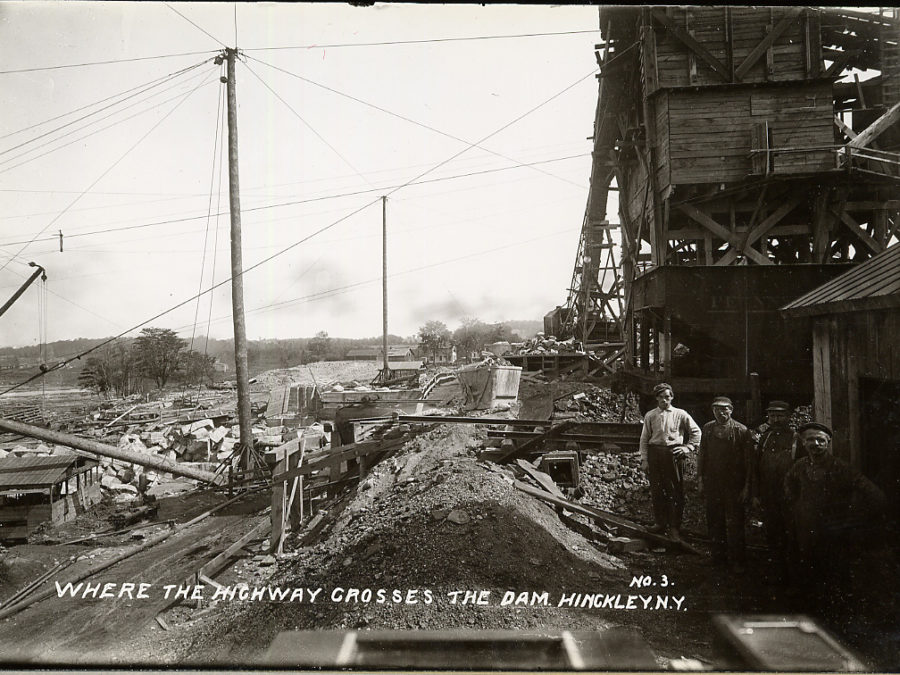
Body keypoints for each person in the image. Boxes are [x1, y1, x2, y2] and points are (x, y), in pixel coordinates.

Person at [783, 422, 886, 589]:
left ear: (828, 442)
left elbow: (873, 494)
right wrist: (795, 502)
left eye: (821, 440)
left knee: (833, 570)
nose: (816, 444)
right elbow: (788, 480)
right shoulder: (800, 465)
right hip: (805, 527)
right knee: (807, 565)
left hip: (832, 530)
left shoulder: (841, 467)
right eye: (810, 440)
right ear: (803, 443)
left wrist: (857, 517)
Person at [697, 397, 755, 572]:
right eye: (717, 410)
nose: (721, 413)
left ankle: (738, 561)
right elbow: (702, 455)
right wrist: (700, 479)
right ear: (712, 411)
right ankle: (717, 557)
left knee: (735, 522)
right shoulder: (708, 428)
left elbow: (749, 462)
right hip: (713, 483)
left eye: (724, 409)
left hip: (734, 485)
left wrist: (747, 487)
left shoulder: (741, 431)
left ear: (731, 410)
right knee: (714, 521)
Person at [639, 382, 701, 541]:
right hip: (655, 454)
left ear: (672, 397)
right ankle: (660, 523)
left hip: (673, 455)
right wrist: (644, 459)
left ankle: (674, 527)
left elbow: (696, 432)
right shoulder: (650, 415)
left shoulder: (680, 414)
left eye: (667, 396)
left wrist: (688, 448)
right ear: (656, 398)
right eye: (660, 397)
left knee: (674, 491)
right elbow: (644, 439)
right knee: (657, 490)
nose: (664, 400)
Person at [752, 401, 804, 580]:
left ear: (788, 417)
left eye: (780, 415)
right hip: (769, 496)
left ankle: (794, 577)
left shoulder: (797, 439)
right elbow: (756, 468)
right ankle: (777, 573)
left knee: (791, 535)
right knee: (772, 534)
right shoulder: (765, 438)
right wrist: (756, 494)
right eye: (772, 415)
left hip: (789, 497)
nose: (776, 419)